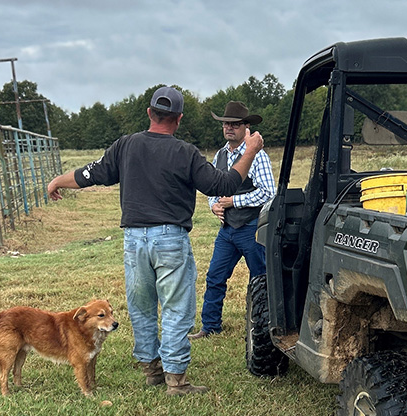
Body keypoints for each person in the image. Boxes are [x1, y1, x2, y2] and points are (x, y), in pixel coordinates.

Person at [46, 87, 264, 396]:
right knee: (176, 308)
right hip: (170, 240)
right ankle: (176, 380)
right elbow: (224, 183)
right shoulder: (185, 152)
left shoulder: (125, 146)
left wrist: (57, 181)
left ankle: (152, 370)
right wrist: (251, 150)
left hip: (133, 240)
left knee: (141, 307)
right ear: (179, 119)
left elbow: (89, 174)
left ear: (149, 113)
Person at [189, 101, 275, 340]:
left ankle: (264, 328)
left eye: (235, 124)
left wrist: (233, 202)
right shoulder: (220, 155)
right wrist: (214, 205)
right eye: (226, 123)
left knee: (261, 280)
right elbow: (213, 189)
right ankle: (210, 326)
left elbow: (269, 192)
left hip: (251, 228)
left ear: (246, 127)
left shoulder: (258, 157)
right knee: (215, 277)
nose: (229, 128)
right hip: (227, 230)